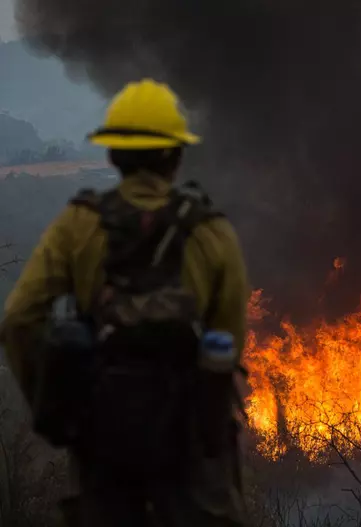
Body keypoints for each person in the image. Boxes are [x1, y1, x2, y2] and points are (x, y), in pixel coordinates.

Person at [0, 79, 249, 526]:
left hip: (103, 443)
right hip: (190, 448)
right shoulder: (212, 232)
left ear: (114, 155)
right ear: (176, 155)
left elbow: (18, 319)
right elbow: (229, 341)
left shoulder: (78, 227)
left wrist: (53, 408)